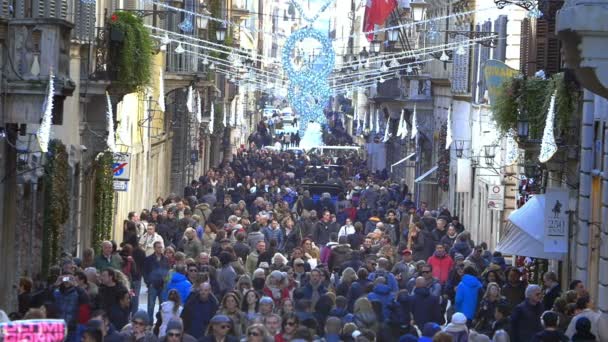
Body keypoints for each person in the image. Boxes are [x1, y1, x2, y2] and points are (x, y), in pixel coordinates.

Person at [143, 241, 170, 323]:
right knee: (150, 306)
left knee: (163, 305)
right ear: (154, 248)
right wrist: (148, 283)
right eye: (158, 247)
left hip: (163, 286)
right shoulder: (149, 259)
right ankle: (149, 323)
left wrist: (166, 282)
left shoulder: (165, 259)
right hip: (153, 285)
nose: (160, 249)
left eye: (161, 247)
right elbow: (145, 272)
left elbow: (168, 271)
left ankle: (160, 322)